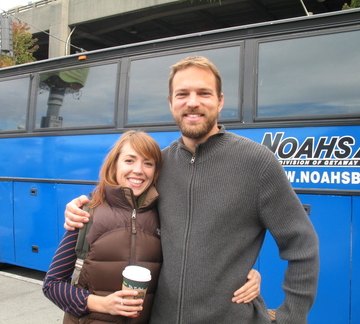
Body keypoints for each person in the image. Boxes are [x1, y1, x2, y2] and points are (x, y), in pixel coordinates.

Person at [64, 56, 319, 323]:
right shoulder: (159, 166)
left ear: (220, 101)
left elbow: (303, 246)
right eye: (182, 94)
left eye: (204, 93)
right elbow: (120, 206)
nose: (193, 102)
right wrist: (79, 208)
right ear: (171, 103)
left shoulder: (257, 162)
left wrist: (291, 317)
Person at [44, 130, 262, 324]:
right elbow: (52, 285)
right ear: (115, 165)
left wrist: (243, 272)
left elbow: (196, 257)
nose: (138, 170)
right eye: (129, 161)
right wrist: (101, 304)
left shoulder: (164, 215)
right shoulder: (86, 213)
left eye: (148, 163)